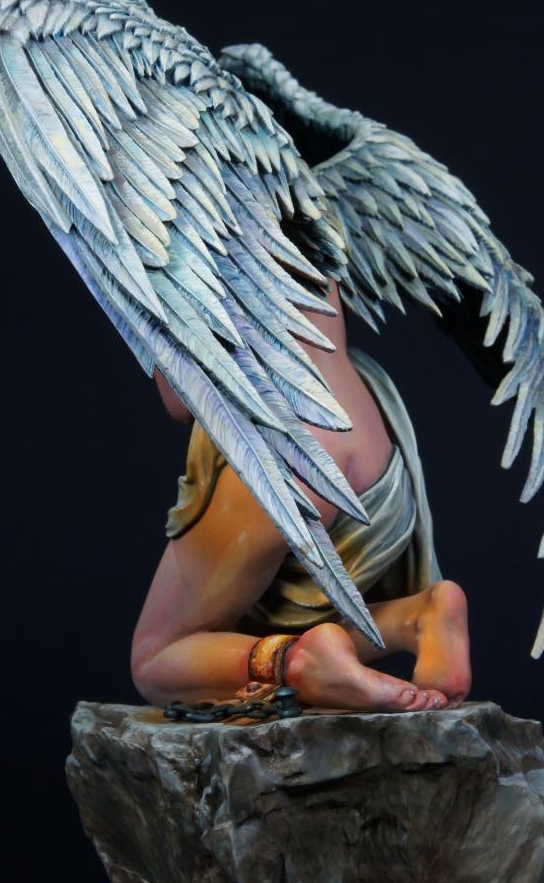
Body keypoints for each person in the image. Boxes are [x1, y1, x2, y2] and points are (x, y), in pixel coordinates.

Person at [132, 281, 472, 714]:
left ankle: (300, 662)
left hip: (286, 446)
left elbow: (181, 399)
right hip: (371, 447)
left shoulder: (181, 234)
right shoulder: (315, 230)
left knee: (157, 657)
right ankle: (418, 618)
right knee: (253, 624)